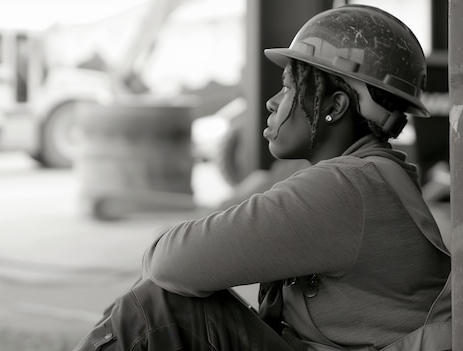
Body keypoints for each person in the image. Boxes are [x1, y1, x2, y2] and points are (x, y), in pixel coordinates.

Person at [73, 4, 452, 351]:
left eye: (289, 87)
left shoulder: (348, 188)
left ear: (335, 107)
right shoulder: (373, 177)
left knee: (161, 307)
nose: (272, 102)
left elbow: (168, 263)